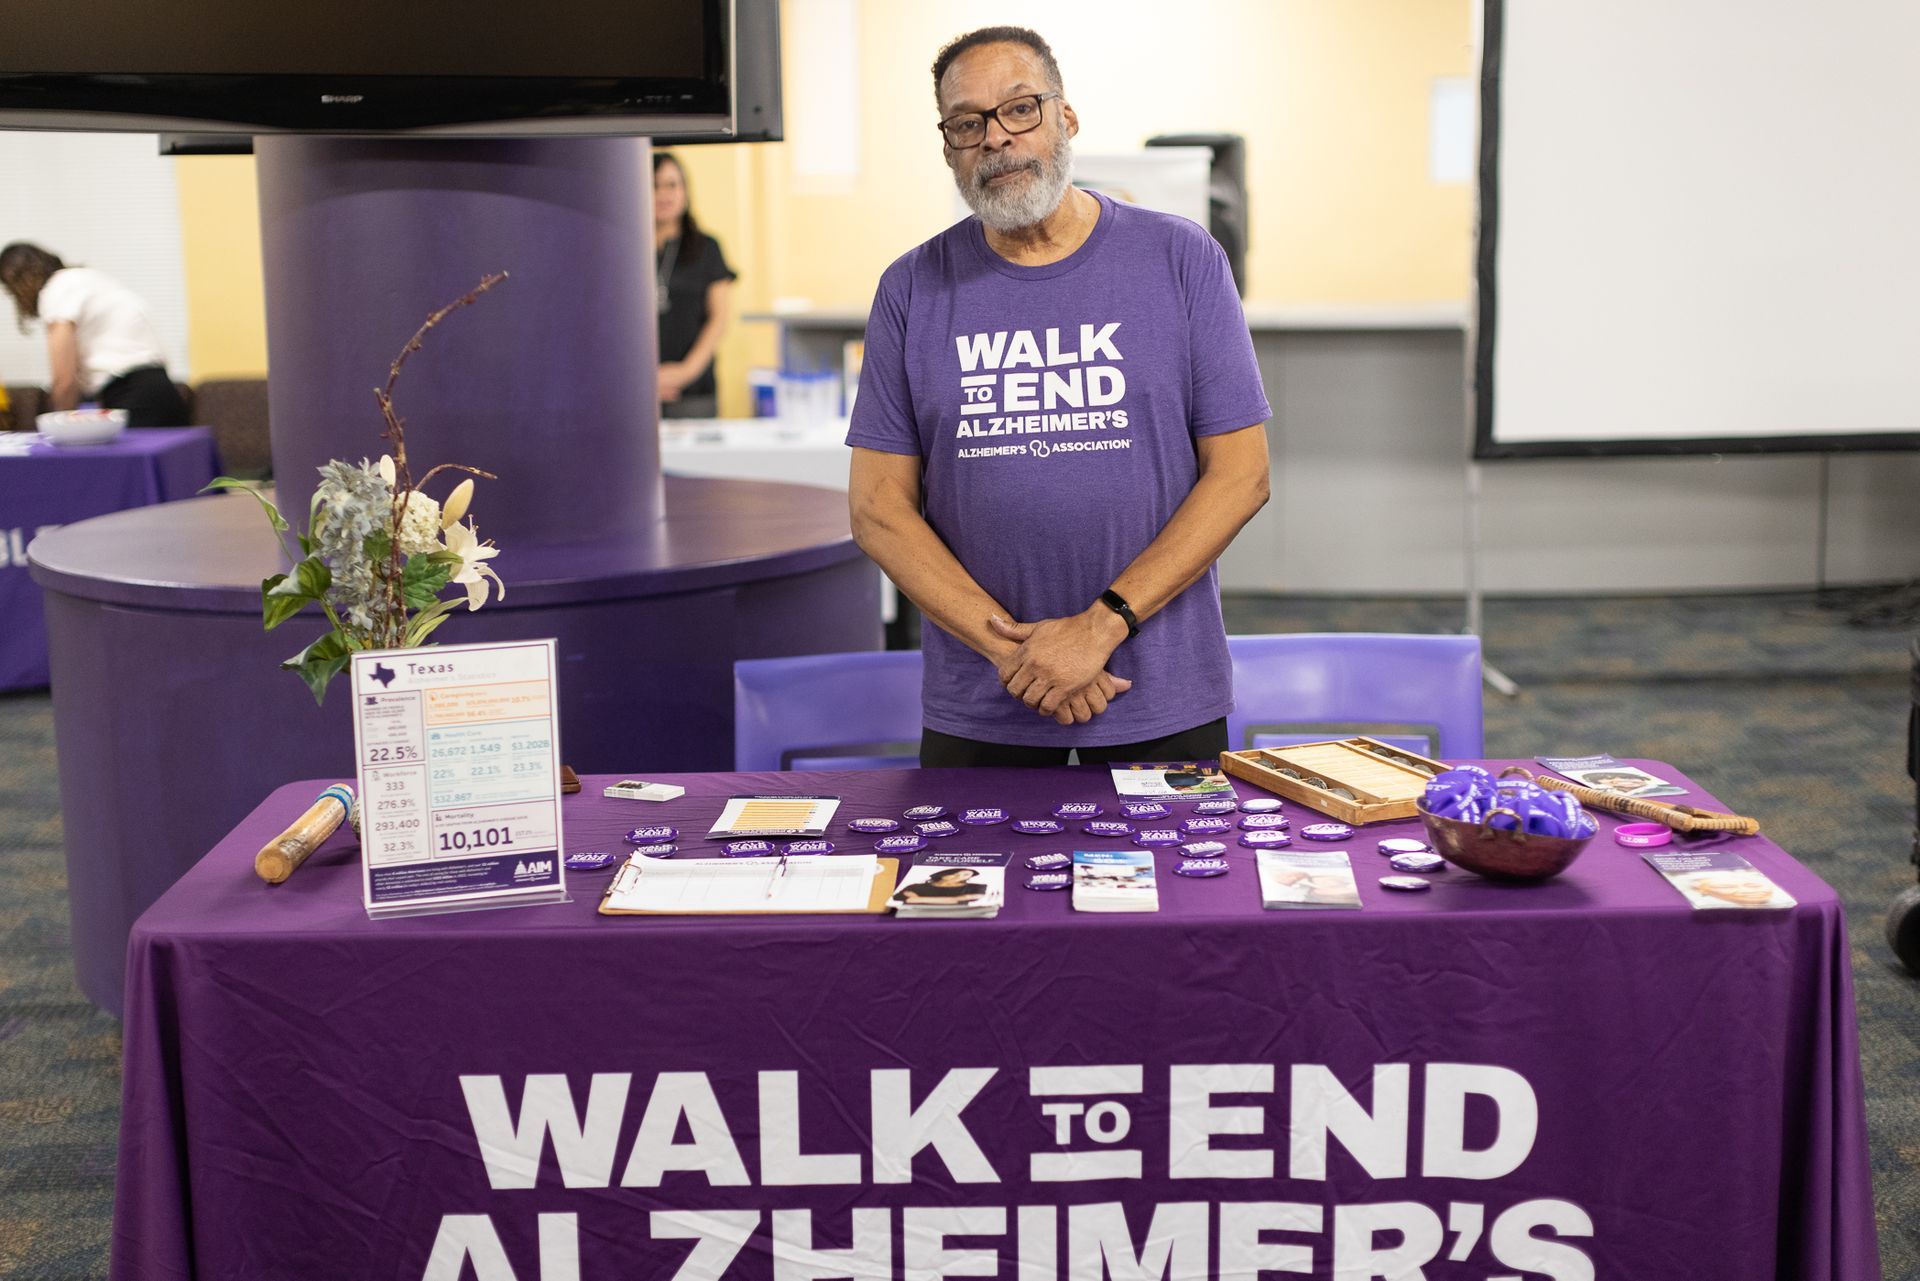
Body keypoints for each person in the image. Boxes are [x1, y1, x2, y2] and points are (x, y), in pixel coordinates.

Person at [845, 26, 1272, 768]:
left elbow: (1242, 475)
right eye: (967, 122)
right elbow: (878, 508)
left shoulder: (1181, 258)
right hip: (983, 699)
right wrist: (1019, 654)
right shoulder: (911, 288)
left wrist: (1098, 628)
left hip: (1158, 688)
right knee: (976, 887)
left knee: (1182, 886)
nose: (996, 139)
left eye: (1020, 109)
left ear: (1065, 120)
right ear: (948, 147)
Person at [0, 242, 189, 427]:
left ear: (19, 279)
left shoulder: (56, 291)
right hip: (164, 392)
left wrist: (58, 429)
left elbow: (64, 381)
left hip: (133, 399)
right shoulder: (90, 279)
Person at [651, 152, 736, 419]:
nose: (663, 194)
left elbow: (719, 318)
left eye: (672, 185)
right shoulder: (623, 250)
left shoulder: (707, 248)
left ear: (686, 191)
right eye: (653, 185)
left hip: (695, 392)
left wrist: (683, 373)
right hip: (635, 391)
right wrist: (644, 381)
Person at [894, 866, 987, 906]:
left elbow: (979, 899)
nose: (959, 876)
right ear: (943, 874)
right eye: (955, 873)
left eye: (966, 874)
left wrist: (917, 899)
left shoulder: (976, 887)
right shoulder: (915, 887)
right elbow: (897, 898)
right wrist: (958, 899)